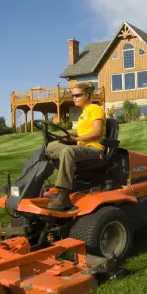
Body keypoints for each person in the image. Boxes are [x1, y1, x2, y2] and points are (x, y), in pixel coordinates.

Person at [46, 82, 106, 210]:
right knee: (50, 146)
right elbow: (82, 132)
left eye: (77, 95)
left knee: (68, 151)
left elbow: (97, 132)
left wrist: (76, 139)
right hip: (83, 147)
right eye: (73, 95)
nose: (74, 98)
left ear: (87, 95)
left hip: (94, 149)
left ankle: (63, 196)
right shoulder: (83, 113)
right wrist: (67, 135)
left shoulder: (95, 109)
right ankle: (31, 185)